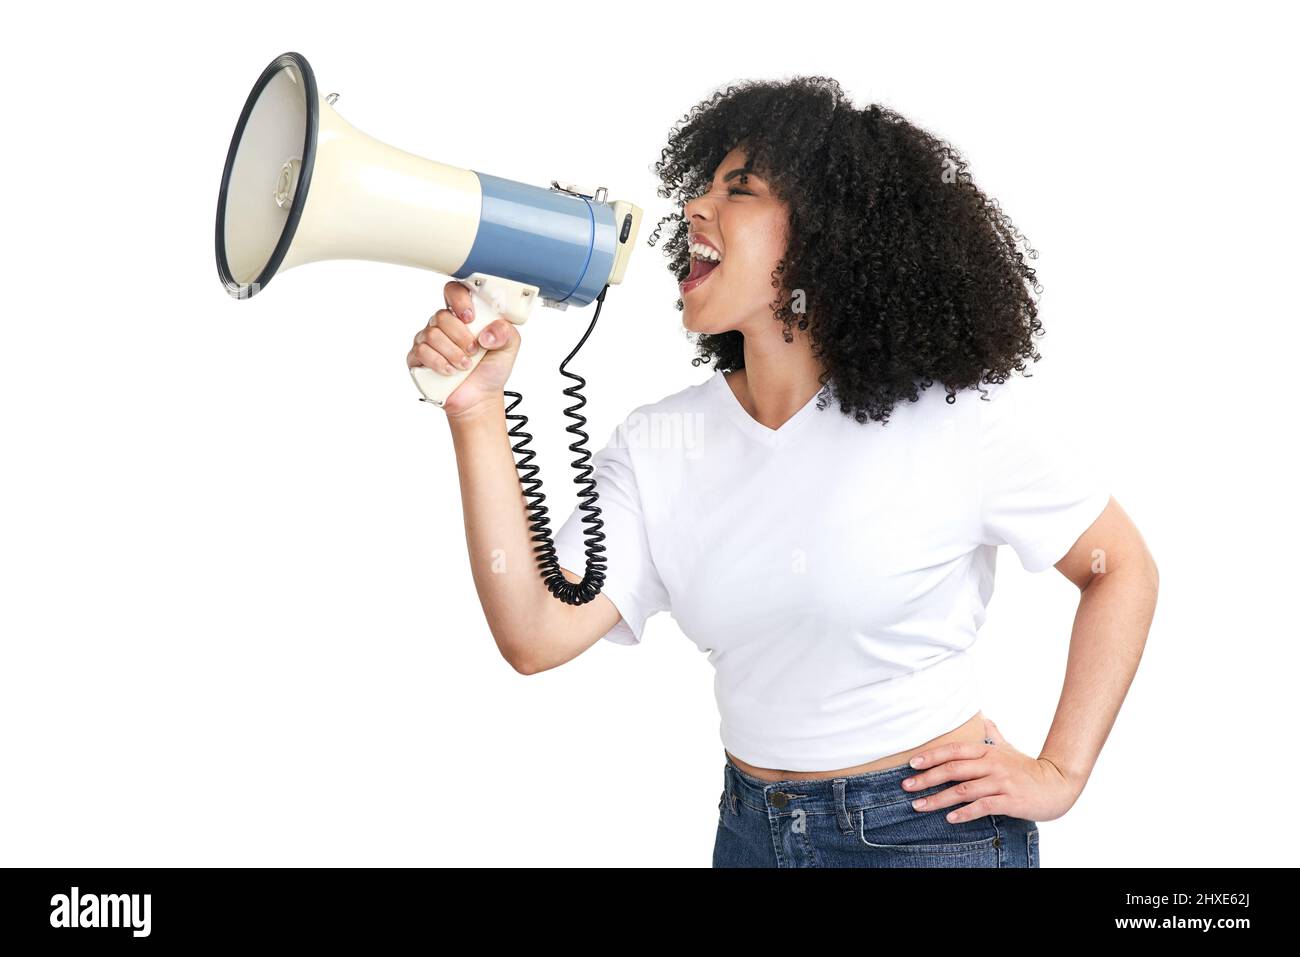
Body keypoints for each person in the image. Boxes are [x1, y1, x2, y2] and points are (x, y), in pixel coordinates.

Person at [407, 77, 1159, 868]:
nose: (695, 207)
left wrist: (1061, 770)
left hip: (926, 833)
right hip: (750, 832)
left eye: (740, 190)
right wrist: (478, 411)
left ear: (828, 236)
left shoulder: (956, 421)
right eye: (703, 187)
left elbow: (1121, 568)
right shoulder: (664, 441)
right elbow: (535, 631)